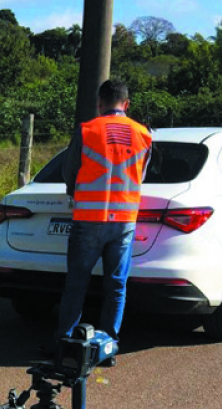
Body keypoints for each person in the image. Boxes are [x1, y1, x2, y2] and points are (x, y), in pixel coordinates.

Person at [55, 79, 152, 358]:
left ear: (99, 103)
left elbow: (69, 171)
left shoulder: (88, 130)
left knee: (76, 283)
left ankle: (66, 345)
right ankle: (108, 346)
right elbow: (140, 175)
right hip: (124, 220)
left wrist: (75, 191)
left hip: (89, 218)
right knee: (116, 284)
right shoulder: (143, 134)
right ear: (127, 104)